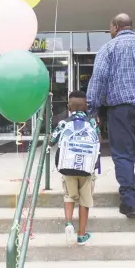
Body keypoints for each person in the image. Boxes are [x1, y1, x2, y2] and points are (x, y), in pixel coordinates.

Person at [87, 13, 135, 218]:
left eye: (109, 28)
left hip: (121, 110)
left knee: (123, 154)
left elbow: (98, 80)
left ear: (115, 27)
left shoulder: (108, 49)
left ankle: (130, 203)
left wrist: (92, 109)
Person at [48, 90, 101, 245]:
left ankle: (69, 223)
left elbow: (52, 141)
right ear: (85, 107)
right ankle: (81, 235)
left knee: (69, 196)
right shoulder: (92, 122)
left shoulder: (64, 123)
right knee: (85, 200)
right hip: (87, 168)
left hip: (67, 166)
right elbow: (98, 139)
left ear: (69, 107)